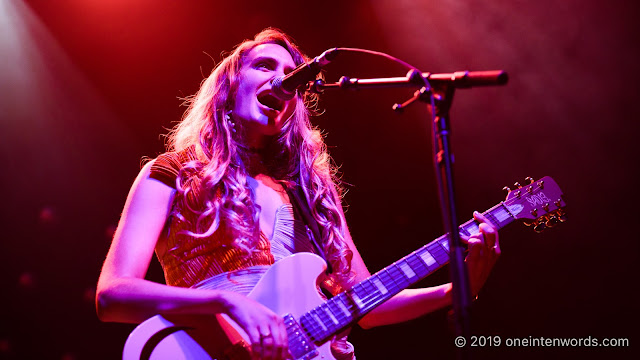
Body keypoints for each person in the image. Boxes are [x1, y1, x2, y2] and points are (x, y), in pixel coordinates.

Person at [96, 28, 501, 360]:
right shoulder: (171, 172)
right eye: (264, 66)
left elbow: (368, 304)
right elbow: (113, 294)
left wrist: (457, 288)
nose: (282, 78)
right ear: (228, 85)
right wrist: (227, 303)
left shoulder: (312, 193)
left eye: (293, 73)